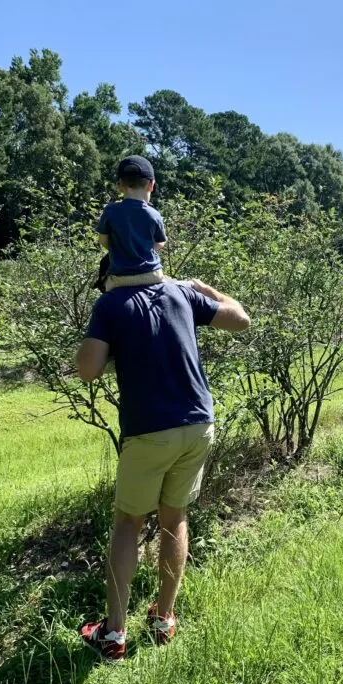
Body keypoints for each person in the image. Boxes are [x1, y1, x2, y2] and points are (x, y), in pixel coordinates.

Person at [75, 266, 250, 662]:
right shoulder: (181, 294)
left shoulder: (110, 303)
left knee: (127, 522)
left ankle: (113, 634)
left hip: (148, 431)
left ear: (111, 274)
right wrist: (206, 288)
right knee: (174, 518)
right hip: (198, 424)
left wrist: (102, 324)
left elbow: (87, 370)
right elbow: (241, 319)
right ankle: (163, 620)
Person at [97, 155, 168, 291]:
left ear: (120, 185)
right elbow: (160, 243)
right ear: (151, 185)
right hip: (152, 275)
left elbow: (103, 241)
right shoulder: (154, 214)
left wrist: (119, 249)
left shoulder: (110, 211)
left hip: (119, 278)